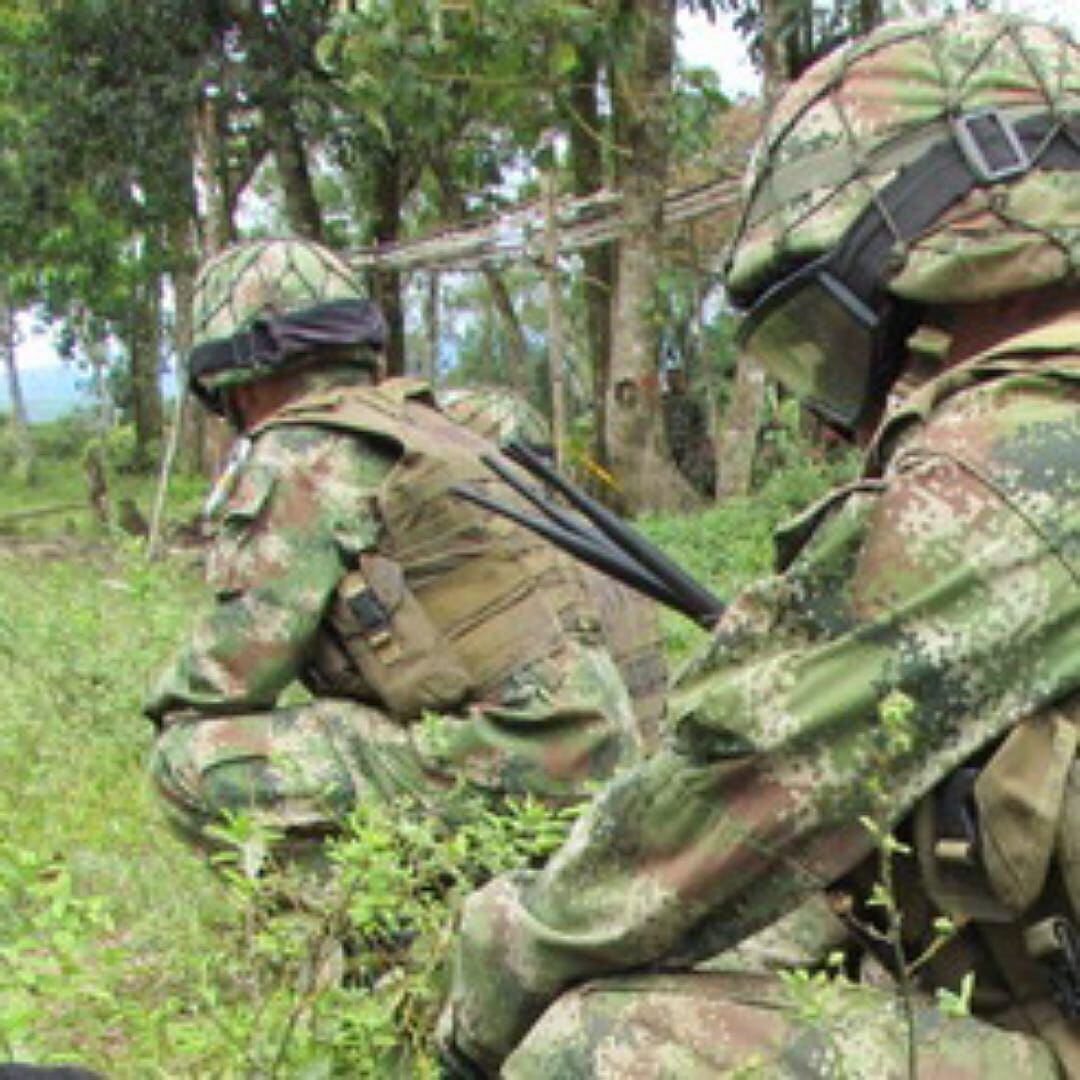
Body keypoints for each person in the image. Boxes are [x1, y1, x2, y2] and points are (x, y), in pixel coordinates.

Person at [438, 12, 1080, 1077]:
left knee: (603, 1048)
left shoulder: (1018, 455)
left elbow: (708, 809)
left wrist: (483, 997)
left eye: (834, 333)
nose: (840, 419)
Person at [144, 237, 653, 862]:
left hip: (523, 764)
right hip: (611, 753)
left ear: (236, 386)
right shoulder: (440, 427)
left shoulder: (302, 453)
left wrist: (166, 706)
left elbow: (229, 676)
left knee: (187, 760)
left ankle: (380, 934)